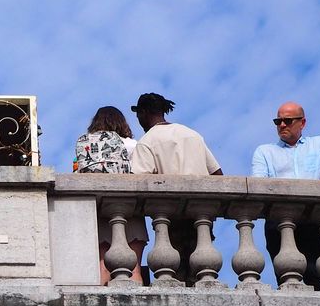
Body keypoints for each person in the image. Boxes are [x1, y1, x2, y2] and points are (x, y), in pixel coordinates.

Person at [250, 102, 320, 287]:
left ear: (302, 123)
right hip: (278, 224)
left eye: (287, 120)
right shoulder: (264, 152)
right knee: (287, 281)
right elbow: (259, 185)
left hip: (313, 222)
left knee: (318, 279)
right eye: (278, 121)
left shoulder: (318, 144)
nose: (282, 125)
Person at [130, 93, 223, 284]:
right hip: (202, 216)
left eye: (138, 114)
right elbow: (217, 174)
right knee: (203, 275)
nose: (138, 119)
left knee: (175, 276)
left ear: (144, 113)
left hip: (171, 218)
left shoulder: (147, 141)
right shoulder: (192, 134)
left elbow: (138, 182)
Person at [75, 106, 145, 284]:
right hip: (131, 211)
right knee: (134, 267)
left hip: (100, 212)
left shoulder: (89, 145)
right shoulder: (132, 145)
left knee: (102, 266)